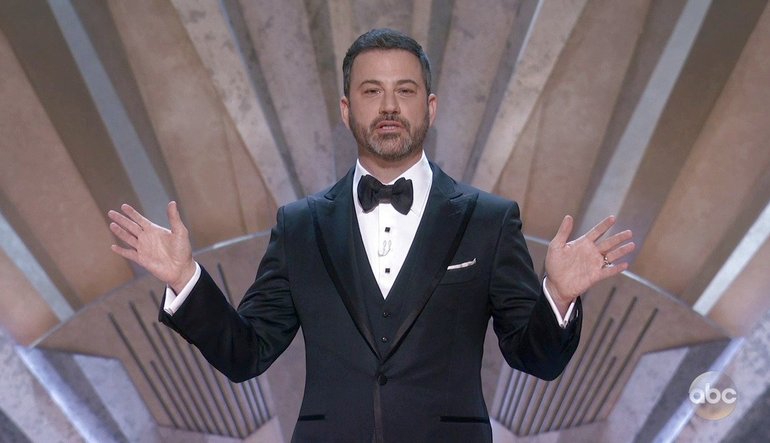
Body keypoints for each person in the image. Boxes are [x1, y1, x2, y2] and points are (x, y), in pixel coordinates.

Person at [108, 28, 634, 443]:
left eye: (405, 91)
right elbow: (246, 354)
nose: (389, 107)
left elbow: (536, 359)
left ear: (430, 107)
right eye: (371, 91)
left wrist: (558, 295)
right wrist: (185, 278)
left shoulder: (489, 221)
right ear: (346, 110)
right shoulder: (299, 226)